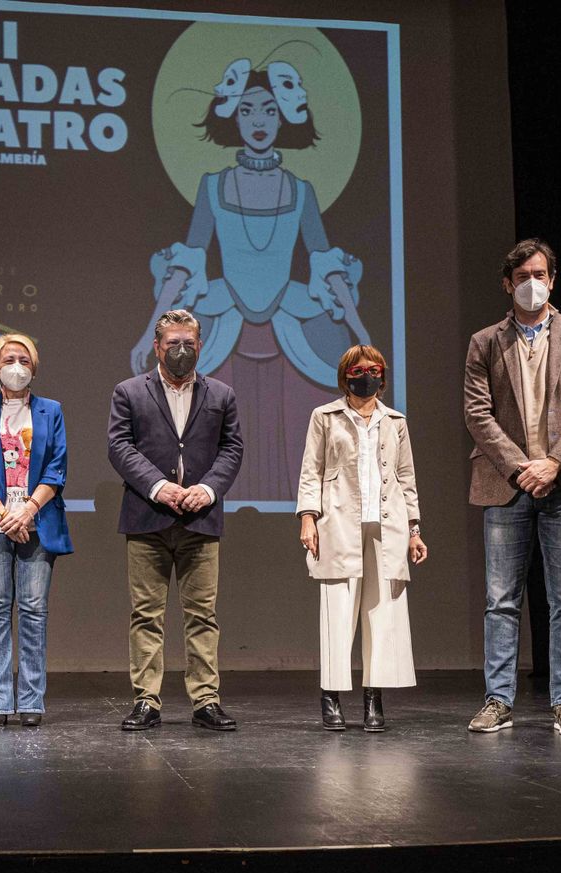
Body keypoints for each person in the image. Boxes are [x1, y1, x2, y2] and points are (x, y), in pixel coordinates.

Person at [132, 59, 368, 501]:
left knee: (313, 414)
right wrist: (149, 331)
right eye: (247, 110)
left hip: (289, 322)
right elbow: (188, 261)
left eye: (269, 111)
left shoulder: (301, 190)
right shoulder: (212, 184)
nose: (258, 121)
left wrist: (361, 333)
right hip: (223, 321)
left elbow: (325, 263)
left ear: (286, 116)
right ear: (230, 115)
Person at [463, 239, 561, 736]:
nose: (532, 282)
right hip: (508, 484)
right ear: (508, 283)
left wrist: (554, 463)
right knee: (501, 599)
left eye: (540, 273)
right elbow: (477, 414)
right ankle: (498, 700)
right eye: (522, 275)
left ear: (553, 279)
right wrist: (520, 466)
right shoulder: (485, 342)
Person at [108, 309, 244, 731]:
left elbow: (232, 449)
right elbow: (119, 446)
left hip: (200, 520)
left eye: (189, 343)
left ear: (200, 346)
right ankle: (146, 700)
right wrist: (157, 487)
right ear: (157, 346)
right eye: (173, 344)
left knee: (202, 615)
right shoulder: (130, 391)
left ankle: (206, 700)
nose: (181, 351)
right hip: (147, 517)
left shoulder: (221, 394)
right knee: (146, 615)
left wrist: (206, 489)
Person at [297, 345, 427, 732]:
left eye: (372, 370)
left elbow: (406, 478)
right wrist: (308, 519)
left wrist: (415, 530)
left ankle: (374, 700)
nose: (364, 376)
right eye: (357, 370)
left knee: (382, 616)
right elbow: (311, 471)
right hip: (338, 524)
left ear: (382, 377)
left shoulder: (395, 421)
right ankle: (331, 698)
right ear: (345, 376)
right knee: (338, 614)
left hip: (387, 527)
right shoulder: (324, 417)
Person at [0, 333, 72, 727]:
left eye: (24, 360)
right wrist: (4, 516)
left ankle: (30, 701)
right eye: (9, 359)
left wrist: (26, 511)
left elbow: (57, 468)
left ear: (34, 367)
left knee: (33, 612)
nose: (17, 367)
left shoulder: (51, 411)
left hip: (38, 520)